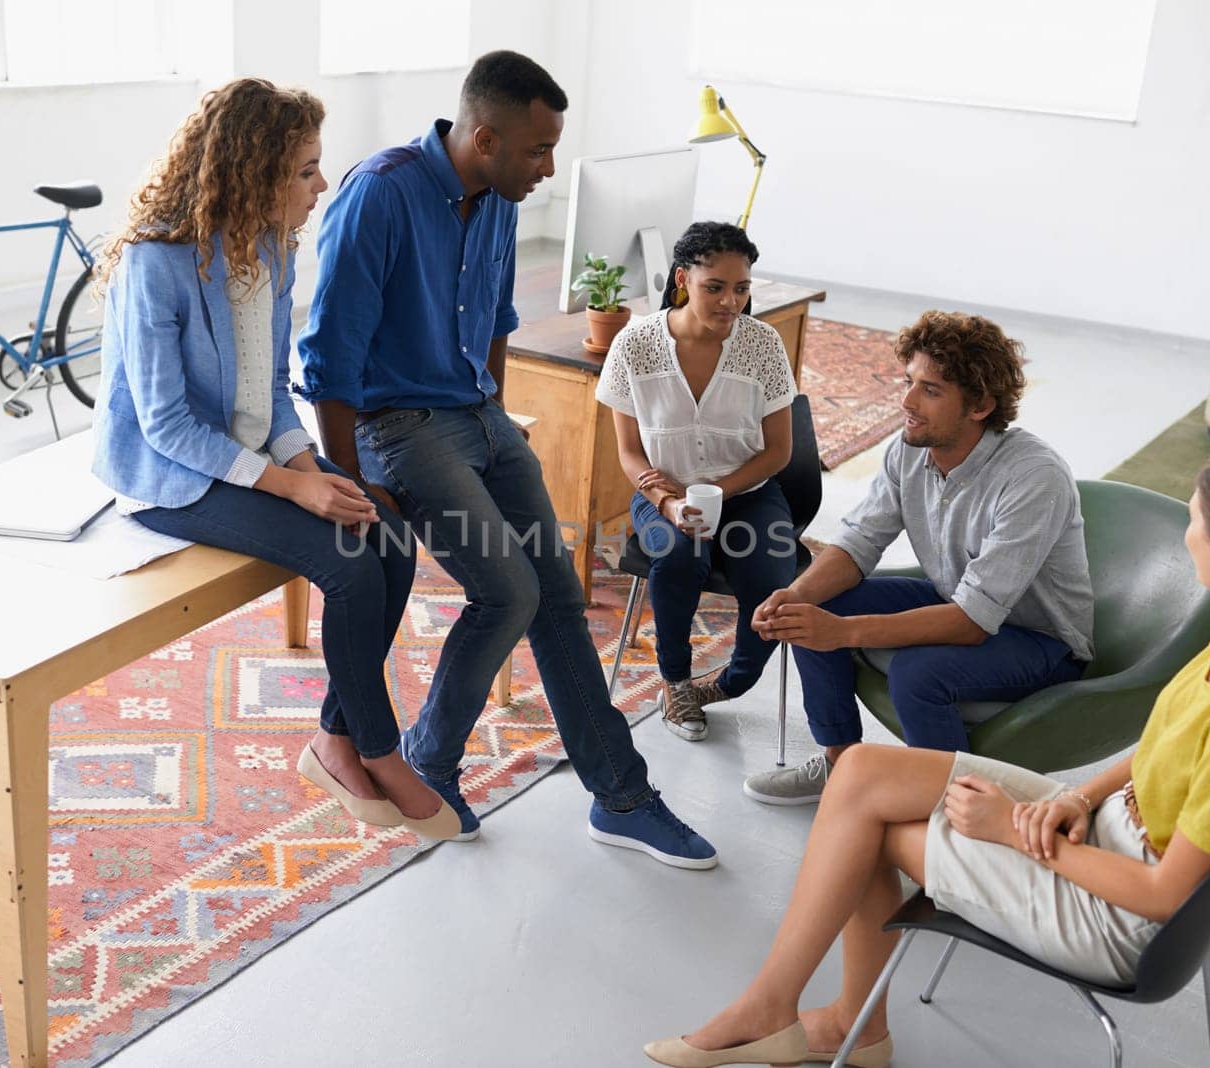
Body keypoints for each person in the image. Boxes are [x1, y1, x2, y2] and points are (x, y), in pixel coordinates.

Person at [644, 441, 1210, 1067]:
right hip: (1102, 826)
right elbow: (1162, 748)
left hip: (1117, 912)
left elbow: (1163, 896)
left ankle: (807, 1018)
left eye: (1196, 520)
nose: (1187, 536)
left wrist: (1006, 830)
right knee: (859, 776)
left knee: (864, 829)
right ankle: (807, 1018)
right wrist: (1076, 795)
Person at [296, 50, 716, 868]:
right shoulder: (379, 194)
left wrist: (491, 402)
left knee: (556, 592)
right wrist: (354, 484)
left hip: (477, 414)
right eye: (536, 150)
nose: (549, 168)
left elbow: (495, 311)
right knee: (510, 589)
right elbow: (328, 360)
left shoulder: (499, 198)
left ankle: (621, 797)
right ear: (483, 137)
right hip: (400, 429)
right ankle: (429, 762)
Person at [91, 78, 459, 841]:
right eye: (305, 169)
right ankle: (380, 749)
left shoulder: (270, 247)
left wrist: (315, 468)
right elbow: (165, 426)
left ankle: (334, 740)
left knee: (387, 535)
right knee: (350, 565)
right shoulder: (154, 263)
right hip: (171, 475)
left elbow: (269, 390)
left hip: (252, 453)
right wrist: (293, 488)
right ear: (253, 171)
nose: (322, 184)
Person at [743, 310, 1095, 806]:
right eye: (908, 381)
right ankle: (841, 767)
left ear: (981, 406)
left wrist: (841, 633)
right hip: (955, 597)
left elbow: (973, 622)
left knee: (917, 672)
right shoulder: (909, 449)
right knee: (811, 611)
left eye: (930, 390)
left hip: (1040, 640)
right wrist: (795, 597)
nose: (905, 401)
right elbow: (860, 541)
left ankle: (948, 815)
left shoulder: (1034, 478)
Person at [596, 221, 797, 741]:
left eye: (742, 288)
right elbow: (628, 449)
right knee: (679, 557)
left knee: (772, 579)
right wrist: (664, 499)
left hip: (749, 493)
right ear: (683, 279)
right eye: (716, 288)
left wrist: (716, 495)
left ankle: (731, 682)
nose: (731, 302)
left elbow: (779, 450)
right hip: (658, 493)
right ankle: (677, 682)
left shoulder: (763, 345)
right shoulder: (635, 344)